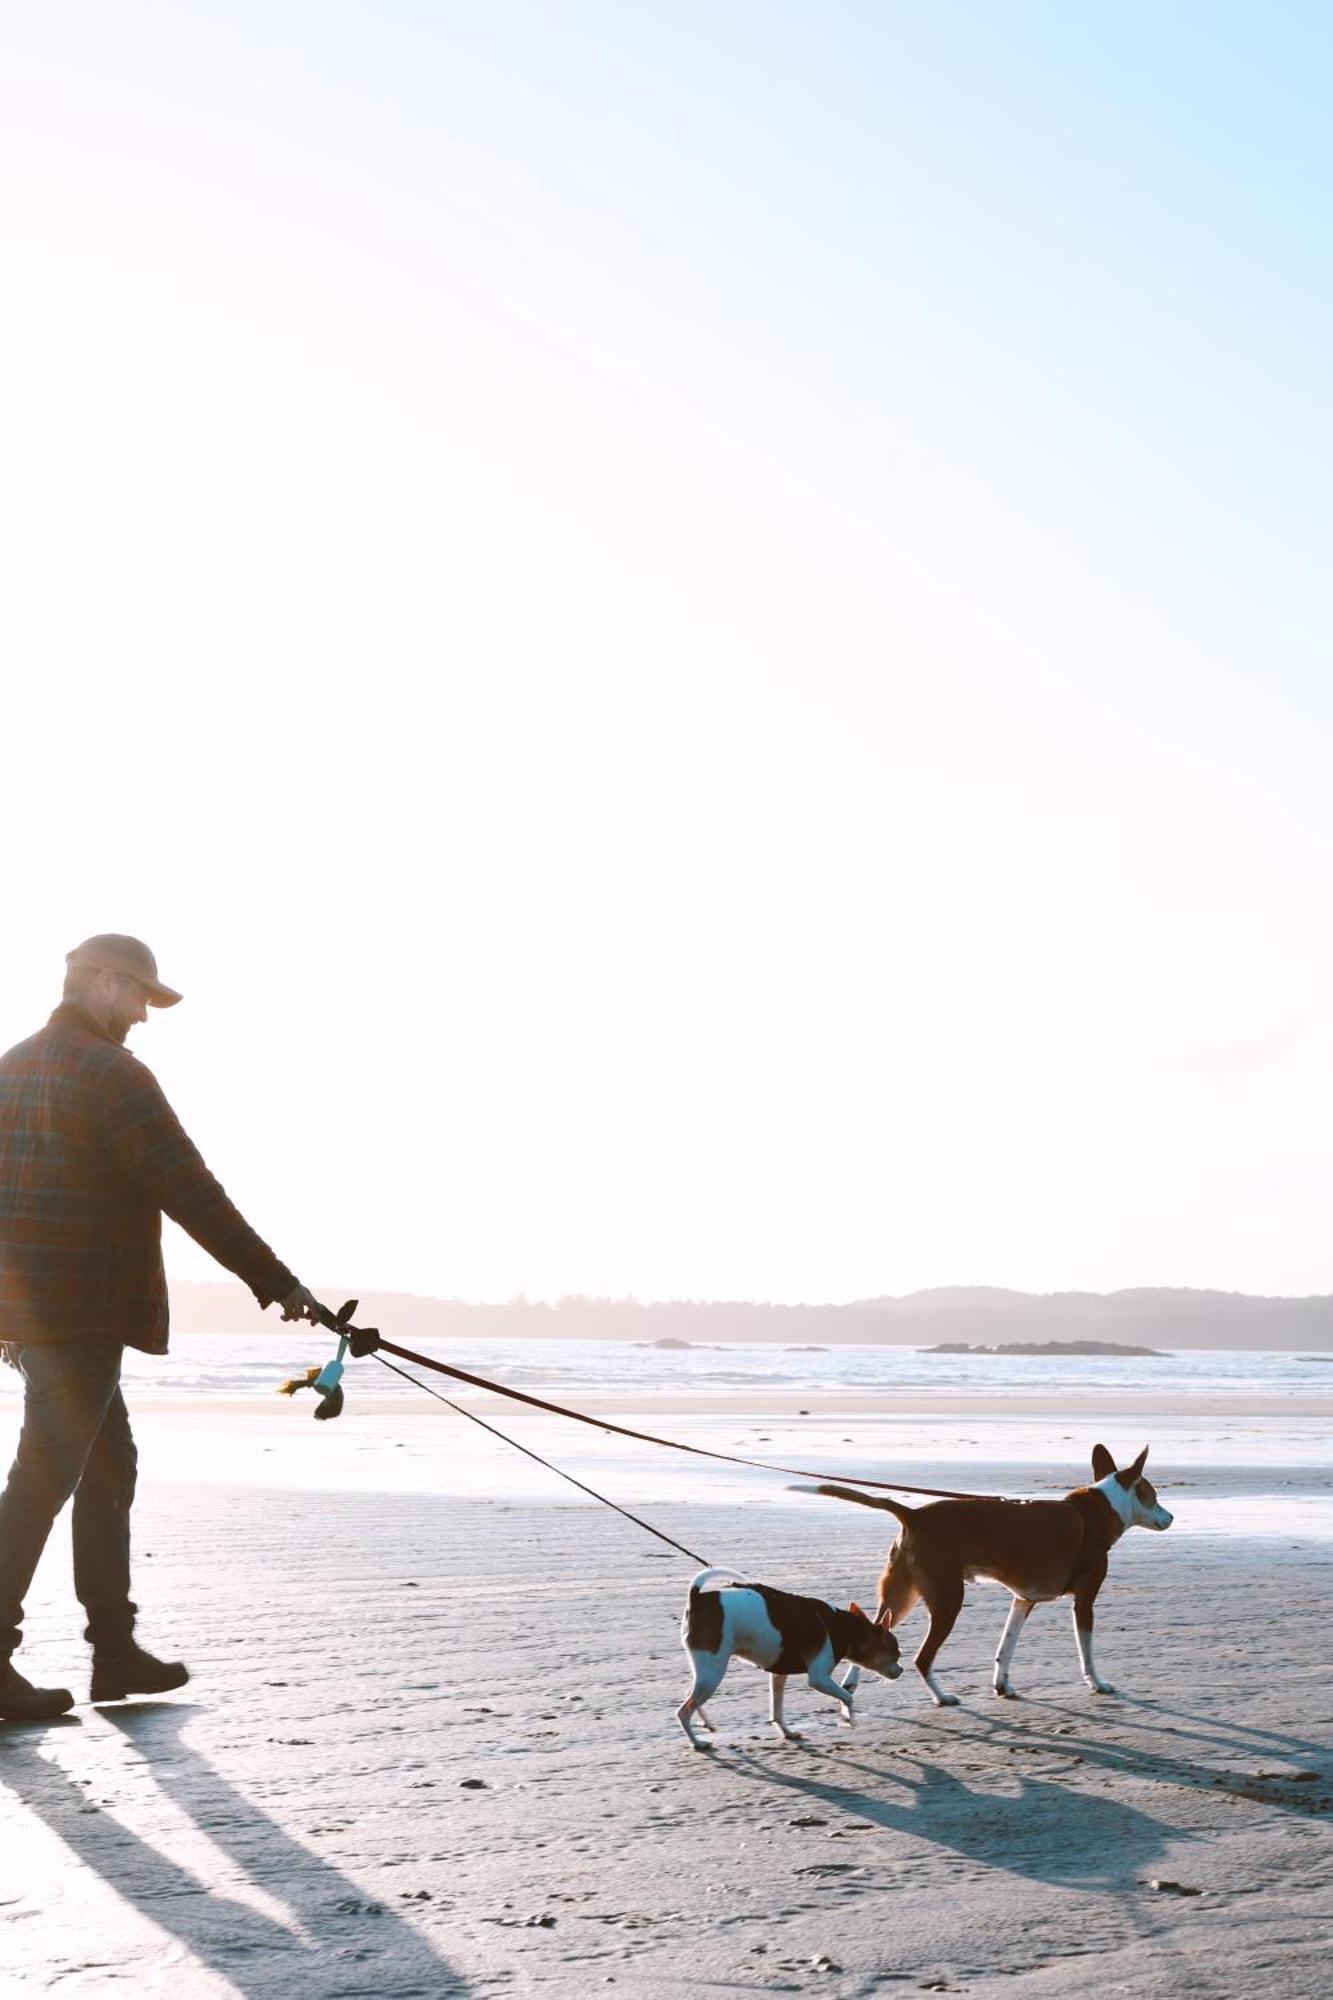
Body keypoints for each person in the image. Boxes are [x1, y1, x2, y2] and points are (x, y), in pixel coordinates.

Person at [0, 935, 321, 1722]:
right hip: (83, 1312)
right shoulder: (113, 1074)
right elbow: (188, 1187)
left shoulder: (12, 1065)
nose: (144, 1015)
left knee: (107, 1466)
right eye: (141, 996)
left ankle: (115, 1651)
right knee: (43, 1478)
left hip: (32, 1316)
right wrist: (276, 1282)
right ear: (103, 983)